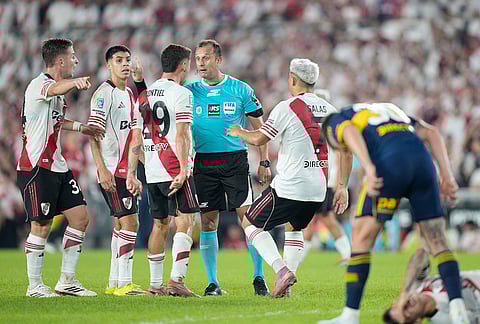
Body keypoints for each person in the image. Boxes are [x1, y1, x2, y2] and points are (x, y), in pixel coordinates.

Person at [317, 103, 470, 324]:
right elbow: (432, 133)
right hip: (424, 164)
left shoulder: (337, 119)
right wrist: (447, 176)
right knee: (438, 241)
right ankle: (458, 310)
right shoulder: (392, 114)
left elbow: (348, 132)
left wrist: (369, 167)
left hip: (390, 164)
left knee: (361, 238)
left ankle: (349, 315)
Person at [227, 58, 349, 297]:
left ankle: (281, 270)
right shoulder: (331, 110)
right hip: (318, 188)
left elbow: (259, 138)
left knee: (249, 223)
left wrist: (237, 131)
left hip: (291, 184)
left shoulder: (288, 106)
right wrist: (342, 186)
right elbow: (346, 150)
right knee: (294, 229)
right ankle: (286, 286)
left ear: (293, 79)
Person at [185, 39, 271, 296]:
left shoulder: (240, 89)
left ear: (218, 60)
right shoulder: (189, 92)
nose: (201, 63)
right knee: (208, 222)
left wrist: (264, 161)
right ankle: (212, 283)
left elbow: (261, 128)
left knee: (249, 219)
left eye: (206, 58)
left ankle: (258, 277)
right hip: (203, 162)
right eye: (198, 58)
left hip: (235, 161)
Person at [17, 38, 102, 297]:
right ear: (61, 60)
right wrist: (74, 83)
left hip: (58, 166)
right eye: (73, 56)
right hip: (35, 167)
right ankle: (34, 286)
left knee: (80, 217)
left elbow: (56, 120)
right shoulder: (38, 86)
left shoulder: (54, 91)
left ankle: (67, 280)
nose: (76, 61)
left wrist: (81, 127)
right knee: (41, 226)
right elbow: (54, 89)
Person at [127, 44, 200, 297]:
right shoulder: (181, 94)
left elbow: (136, 138)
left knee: (159, 225)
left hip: (153, 171)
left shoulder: (143, 96)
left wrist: (131, 173)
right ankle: (177, 281)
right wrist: (183, 169)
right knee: (185, 221)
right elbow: (181, 134)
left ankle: (155, 286)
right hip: (173, 168)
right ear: (182, 65)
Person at [87, 45, 144, 296]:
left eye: (127, 60)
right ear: (109, 64)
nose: (125, 64)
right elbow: (93, 134)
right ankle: (125, 283)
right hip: (111, 169)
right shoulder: (104, 93)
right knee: (131, 222)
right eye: (119, 60)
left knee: (122, 225)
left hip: (124, 170)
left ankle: (114, 283)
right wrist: (101, 168)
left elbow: (133, 136)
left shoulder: (129, 94)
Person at [297, 88, 352, 267]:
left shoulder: (326, 128)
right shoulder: (330, 127)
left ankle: (295, 261)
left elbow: (338, 155)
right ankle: (347, 254)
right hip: (323, 179)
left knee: (316, 219)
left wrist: (337, 182)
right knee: (320, 219)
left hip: (324, 180)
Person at [383, 248, 480, 324]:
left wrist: (405, 292)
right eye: (405, 311)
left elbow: (421, 254)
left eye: (399, 306)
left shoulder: (416, 288)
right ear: (417, 321)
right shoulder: (444, 318)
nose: (405, 304)